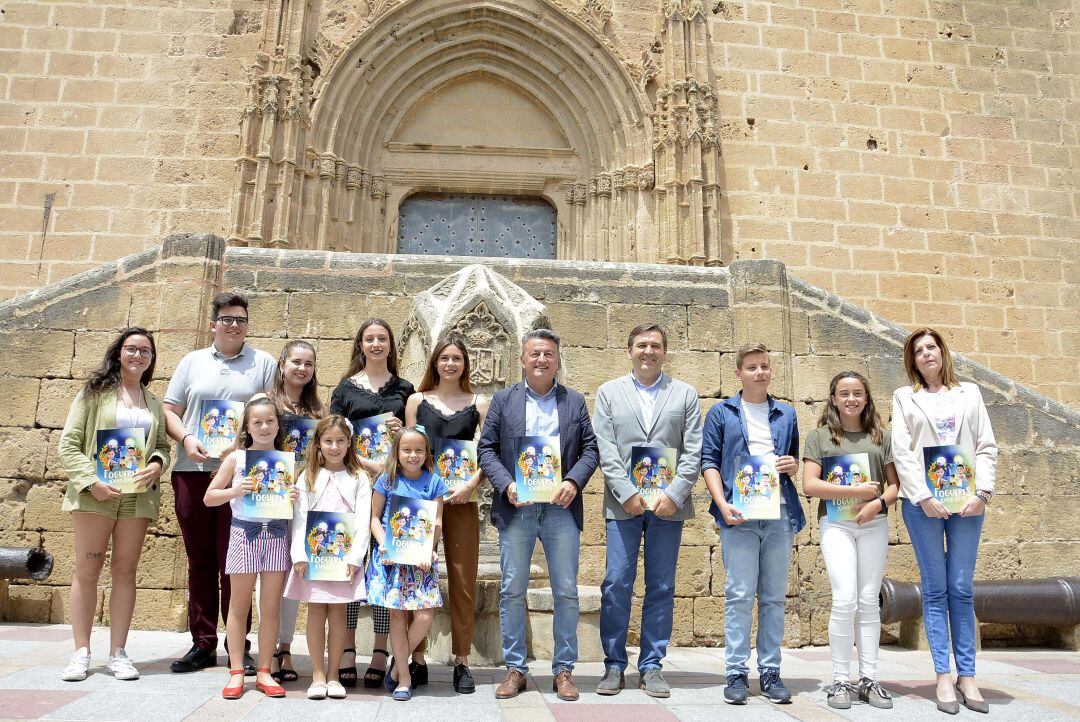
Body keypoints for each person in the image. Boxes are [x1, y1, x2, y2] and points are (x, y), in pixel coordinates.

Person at [477, 329, 599, 702]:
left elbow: (590, 450)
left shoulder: (574, 401)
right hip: (518, 508)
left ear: (557, 360)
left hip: (561, 508)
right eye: (535, 354)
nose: (542, 360)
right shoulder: (503, 400)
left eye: (548, 354)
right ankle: (516, 669)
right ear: (522, 359)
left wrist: (574, 483)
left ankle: (563, 670)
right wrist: (506, 485)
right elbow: (487, 450)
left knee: (566, 590)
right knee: (512, 589)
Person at [162, 292, 276, 674]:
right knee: (200, 560)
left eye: (241, 319)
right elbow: (170, 410)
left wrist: (239, 446)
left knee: (236, 563)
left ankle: (237, 644)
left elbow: (270, 414)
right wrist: (186, 439)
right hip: (192, 471)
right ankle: (203, 642)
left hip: (242, 477)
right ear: (213, 323)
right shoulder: (191, 362)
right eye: (227, 319)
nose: (234, 325)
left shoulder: (263, 363)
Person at [592, 323, 702, 698]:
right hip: (623, 504)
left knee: (661, 585)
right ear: (630, 350)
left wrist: (675, 493)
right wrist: (625, 492)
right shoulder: (609, 393)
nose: (648, 351)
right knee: (617, 583)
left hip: (668, 505)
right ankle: (613, 665)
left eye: (656, 345)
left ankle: (652, 665)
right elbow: (605, 447)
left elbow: (693, 450)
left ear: (665, 351)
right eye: (642, 345)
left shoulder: (684, 394)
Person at [891, 328, 996, 715]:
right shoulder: (905, 398)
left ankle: (967, 675)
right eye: (918, 351)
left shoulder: (969, 393)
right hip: (924, 505)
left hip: (967, 501)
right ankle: (942, 674)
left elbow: (985, 445)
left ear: (942, 352)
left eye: (931, 347)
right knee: (935, 589)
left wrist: (981, 493)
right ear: (912, 361)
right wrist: (923, 496)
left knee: (961, 587)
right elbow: (902, 451)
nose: (926, 354)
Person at [58, 328, 171, 682]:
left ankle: (118, 652)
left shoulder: (153, 402)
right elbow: (69, 444)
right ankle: (81, 651)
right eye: (131, 349)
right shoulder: (94, 394)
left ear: (152, 359)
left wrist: (155, 464)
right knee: (87, 570)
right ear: (118, 353)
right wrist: (93, 482)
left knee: (125, 571)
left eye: (145, 352)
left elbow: (163, 448)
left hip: (136, 498)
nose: (138, 356)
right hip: (96, 494)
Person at [701, 342, 803, 705]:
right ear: (739, 373)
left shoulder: (787, 414)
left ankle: (771, 671)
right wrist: (722, 503)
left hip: (778, 514)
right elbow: (709, 462)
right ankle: (736, 672)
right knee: (740, 594)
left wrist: (791, 466)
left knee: (774, 596)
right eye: (752, 367)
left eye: (765, 366)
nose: (760, 372)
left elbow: (791, 460)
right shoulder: (722, 413)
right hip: (739, 515)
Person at [802, 371, 899, 710]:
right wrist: (855, 491)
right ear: (833, 399)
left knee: (869, 600)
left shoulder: (880, 436)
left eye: (857, 393)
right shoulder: (820, 437)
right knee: (844, 600)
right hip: (837, 524)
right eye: (844, 393)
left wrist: (877, 503)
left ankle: (869, 679)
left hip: (874, 524)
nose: (851, 399)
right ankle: (840, 680)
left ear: (866, 398)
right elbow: (810, 486)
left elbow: (893, 486)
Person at [329, 318, 415, 687]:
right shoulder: (346, 389)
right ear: (360, 345)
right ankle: (347, 647)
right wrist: (365, 462)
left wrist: (402, 434)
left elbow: (416, 439)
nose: (376, 344)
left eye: (383, 338)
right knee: (350, 562)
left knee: (383, 565)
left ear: (390, 345)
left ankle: (381, 650)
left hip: (392, 488)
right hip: (354, 482)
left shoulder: (406, 388)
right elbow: (332, 432)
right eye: (370, 339)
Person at [405, 335, 489, 694]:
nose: (450, 364)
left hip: (461, 502)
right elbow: (408, 446)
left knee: (462, 580)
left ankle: (461, 660)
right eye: (444, 358)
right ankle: (416, 658)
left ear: (465, 364)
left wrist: (471, 484)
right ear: (435, 363)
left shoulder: (478, 404)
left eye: (457, 358)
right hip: (421, 504)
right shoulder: (416, 401)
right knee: (415, 574)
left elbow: (489, 452)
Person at [203, 394, 295, 700]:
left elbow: (298, 502)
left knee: (271, 607)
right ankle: (237, 671)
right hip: (244, 534)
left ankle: (266, 670)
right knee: (237, 605)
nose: (264, 427)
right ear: (248, 426)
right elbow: (209, 497)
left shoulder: (286, 459)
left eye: (270, 421)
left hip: (277, 535)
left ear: (278, 424)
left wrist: (294, 497)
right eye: (257, 422)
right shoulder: (236, 459)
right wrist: (233, 490)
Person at [285, 415, 371, 700]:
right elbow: (299, 519)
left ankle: (334, 675)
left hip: (343, 561)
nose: (334, 447)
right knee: (315, 612)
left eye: (340, 441)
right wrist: (299, 554)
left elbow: (362, 520)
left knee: (338, 614)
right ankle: (318, 676)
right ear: (318, 444)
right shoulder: (307, 476)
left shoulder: (359, 478)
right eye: (328, 441)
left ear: (349, 443)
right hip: (314, 559)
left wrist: (355, 558)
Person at [366, 426, 446, 702]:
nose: (413, 455)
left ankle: (398, 662)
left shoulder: (434, 482)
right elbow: (375, 518)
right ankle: (405, 676)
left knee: (425, 614)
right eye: (407, 450)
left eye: (419, 450)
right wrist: (383, 543)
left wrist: (431, 549)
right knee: (398, 616)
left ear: (427, 453)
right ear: (397, 452)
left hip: (421, 559)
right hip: (392, 558)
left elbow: (436, 521)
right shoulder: (386, 480)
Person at [267, 340, 326, 683]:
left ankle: (285, 647)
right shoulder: (265, 403)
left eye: (309, 364)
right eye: (297, 362)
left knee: (294, 575)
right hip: (271, 502)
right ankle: (269, 646)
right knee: (271, 578)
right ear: (283, 365)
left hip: (306, 501)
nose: (302, 369)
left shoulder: (318, 410)